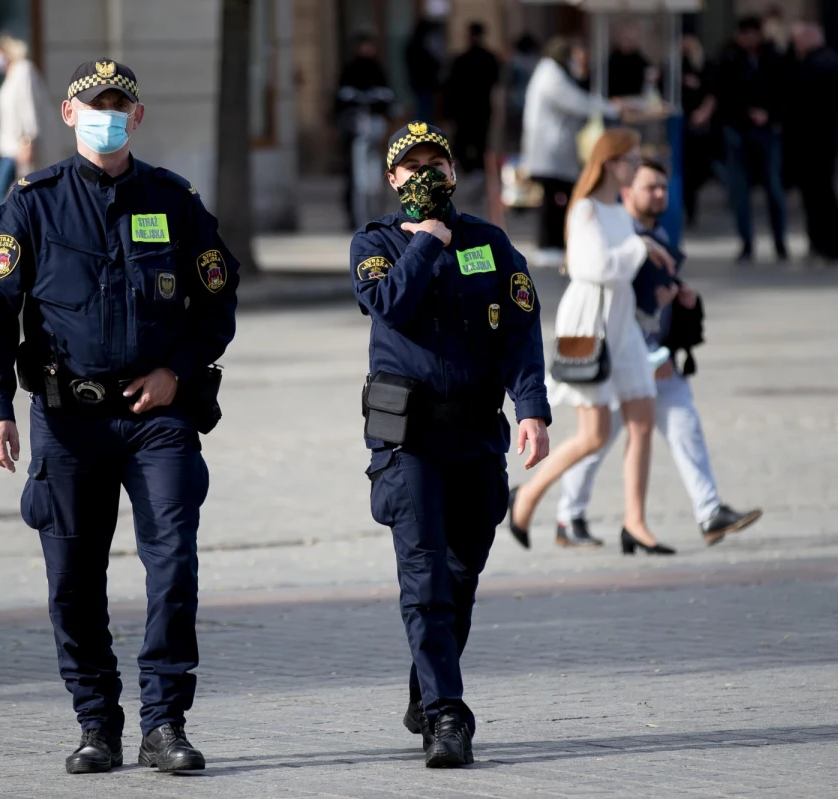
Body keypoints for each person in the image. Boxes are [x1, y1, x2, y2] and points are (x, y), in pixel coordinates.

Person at [0, 59, 239, 776]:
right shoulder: (32, 204)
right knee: (72, 580)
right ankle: (97, 723)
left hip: (158, 419)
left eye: (119, 106)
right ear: (68, 114)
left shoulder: (173, 200)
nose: (107, 117)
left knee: (173, 564)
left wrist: (177, 370)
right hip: (68, 420)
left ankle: (164, 722)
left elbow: (217, 301)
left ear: (137, 117)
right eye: (95, 106)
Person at [352, 121, 550, 767]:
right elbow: (390, 304)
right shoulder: (375, 243)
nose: (425, 177)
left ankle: (425, 686)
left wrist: (531, 409)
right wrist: (426, 241)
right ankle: (447, 714)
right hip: (407, 439)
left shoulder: (490, 243)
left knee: (462, 571)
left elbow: (519, 332)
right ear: (393, 179)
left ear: (454, 172)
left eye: (435, 165)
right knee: (425, 577)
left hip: (474, 433)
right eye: (412, 168)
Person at [556, 160, 763, 547]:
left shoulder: (658, 232)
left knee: (681, 423)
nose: (659, 194)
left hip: (650, 353)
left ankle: (708, 512)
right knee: (596, 437)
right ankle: (568, 515)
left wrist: (680, 297)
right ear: (626, 191)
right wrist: (652, 342)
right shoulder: (618, 231)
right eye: (650, 187)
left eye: (663, 187)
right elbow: (616, 300)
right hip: (624, 355)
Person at [508, 129, 676, 555]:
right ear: (610, 163)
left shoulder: (618, 210)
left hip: (622, 323)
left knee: (642, 418)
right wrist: (641, 247)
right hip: (587, 324)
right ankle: (526, 496)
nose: (636, 167)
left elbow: (622, 268)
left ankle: (635, 522)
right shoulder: (584, 208)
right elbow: (594, 267)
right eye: (631, 160)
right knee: (594, 435)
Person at [522, 38, 618, 268]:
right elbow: (576, 102)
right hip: (550, 152)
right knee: (554, 201)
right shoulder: (551, 76)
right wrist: (610, 108)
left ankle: (555, 244)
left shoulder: (551, 74)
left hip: (554, 152)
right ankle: (549, 246)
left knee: (557, 199)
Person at [714, 16, 789, 263]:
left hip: (767, 130)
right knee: (739, 190)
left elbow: (783, 92)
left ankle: (780, 241)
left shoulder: (773, 58)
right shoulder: (730, 58)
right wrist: (745, 113)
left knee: (774, 187)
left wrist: (769, 115)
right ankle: (746, 242)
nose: (748, 39)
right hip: (738, 130)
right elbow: (724, 94)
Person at [787, 21, 838, 264]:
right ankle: (825, 245)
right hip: (823, 140)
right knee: (819, 193)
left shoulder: (816, 66)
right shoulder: (829, 62)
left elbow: (801, 103)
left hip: (813, 142)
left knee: (818, 195)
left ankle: (826, 245)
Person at [0, 34, 54, 210]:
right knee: (4, 188)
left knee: (2, 186)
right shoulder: (10, 75)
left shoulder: (23, 69)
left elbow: (27, 105)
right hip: (9, 147)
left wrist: (28, 139)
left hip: (19, 146)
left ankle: (2, 224)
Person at [335, 33, 392, 230]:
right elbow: (340, 99)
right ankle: (356, 217)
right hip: (355, 130)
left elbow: (388, 97)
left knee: (377, 177)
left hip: (374, 129)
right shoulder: (350, 69)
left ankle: (376, 215)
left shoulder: (378, 69)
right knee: (355, 178)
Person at [444, 22, 501, 175]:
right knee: (476, 139)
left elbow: (452, 85)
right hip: (477, 106)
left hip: (467, 106)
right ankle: (476, 167)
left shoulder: (463, 59)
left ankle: (471, 167)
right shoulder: (488, 58)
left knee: (468, 139)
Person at [680, 34, 718, 227]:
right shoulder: (676, 63)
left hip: (699, 124)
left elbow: (713, 91)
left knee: (698, 168)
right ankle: (688, 211)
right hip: (681, 122)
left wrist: (703, 112)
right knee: (686, 170)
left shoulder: (704, 64)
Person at [505, 34, 540, 151]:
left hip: (516, 103)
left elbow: (508, 81)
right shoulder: (536, 62)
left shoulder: (515, 61)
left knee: (515, 139)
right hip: (532, 104)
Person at [405, 19, 444, 123]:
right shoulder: (421, 47)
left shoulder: (413, 45)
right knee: (424, 112)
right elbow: (433, 64)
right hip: (425, 84)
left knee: (422, 110)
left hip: (418, 83)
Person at [607, 22, 651, 99]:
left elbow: (650, 71)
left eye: (630, 40)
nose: (627, 43)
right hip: (614, 99)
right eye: (625, 39)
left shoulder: (638, 58)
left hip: (635, 98)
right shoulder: (612, 58)